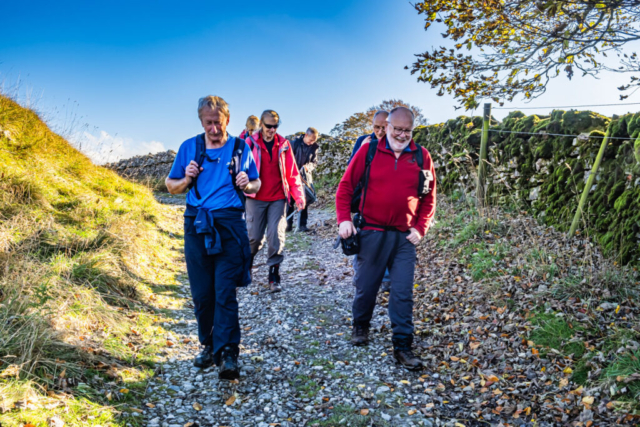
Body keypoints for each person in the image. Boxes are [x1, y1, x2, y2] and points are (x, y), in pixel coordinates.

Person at [165, 95, 261, 380]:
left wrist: (248, 183)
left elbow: (256, 184)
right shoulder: (189, 148)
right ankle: (208, 346)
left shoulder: (241, 148)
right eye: (208, 123)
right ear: (201, 121)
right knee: (202, 294)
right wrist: (186, 179)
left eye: (218, 123)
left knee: (224, 291)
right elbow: (171, 186)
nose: (214, 129)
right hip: (197, 224)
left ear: (227, 120)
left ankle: (229, 352)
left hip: (230, 225)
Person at [335, 107, 437, 371]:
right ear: (387, 126)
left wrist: (420, 228)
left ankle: (403, 345)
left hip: (404, 238)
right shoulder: (368, 151)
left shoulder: (422, 157)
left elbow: (428, 198)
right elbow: (345, 187)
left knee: (402, 293)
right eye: (397, 129)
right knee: (366, 286)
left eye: (407, 130)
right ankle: (361, 324)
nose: (402, 135)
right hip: (371, 232)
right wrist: (344, 219)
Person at [245, 110, 305, 292]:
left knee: (276, 237)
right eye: (269, 126)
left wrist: (299, 196)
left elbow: (293, 173)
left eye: (275, 126)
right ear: (261, 125)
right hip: (255, 198)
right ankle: (246, 267)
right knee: (254, 237)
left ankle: (274, 275)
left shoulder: (284, 144)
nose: (272, 129)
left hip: (278, 198)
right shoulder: (250, 143)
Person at [348, 110, 392, 292]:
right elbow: (351, 170)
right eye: (376, 127)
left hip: (386, 200)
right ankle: (360, 275)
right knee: (364, 238)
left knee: (388, 237)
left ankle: (386, 278)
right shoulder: (362, 141)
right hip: (364, 200)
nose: (380, 132)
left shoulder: (394, 144)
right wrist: (361, 150)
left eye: (384, 127)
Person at [286, 127, 320, 232]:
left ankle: (302, 226)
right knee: (290, 201)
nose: (311, 143)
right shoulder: (293, 144)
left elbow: (314, 162)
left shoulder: (314, 147)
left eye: (314, 141)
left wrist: (307, 167)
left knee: (304, 199)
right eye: (310, 140)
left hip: (306, 178)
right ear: (305, 135)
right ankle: (288, 225)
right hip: (292, 177)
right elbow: (287, 159)